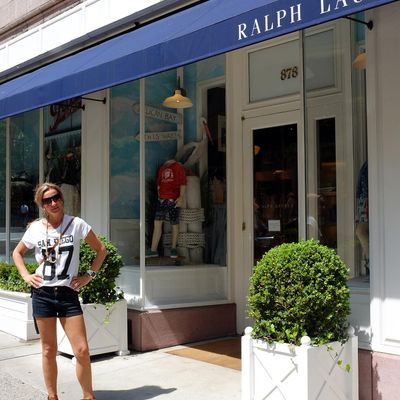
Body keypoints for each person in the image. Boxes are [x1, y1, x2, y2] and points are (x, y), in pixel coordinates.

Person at [12, 183, 107, 400]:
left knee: (81, 350)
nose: (53, 203)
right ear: (42, 205)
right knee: (48, 350)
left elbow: (101, 250)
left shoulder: (76, 224)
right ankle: (52, 396)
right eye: (47, 200)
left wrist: (88, 276)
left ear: (62, 199)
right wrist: (26, 275)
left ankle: (88, 396)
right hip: (42, 294)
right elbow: (17, 253)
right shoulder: (36, 228)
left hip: (67, 294)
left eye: (56, 198)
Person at [146, 159, 186, 258]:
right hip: (162, 200)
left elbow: (183, 183)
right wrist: (159, 196)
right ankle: (153, 250)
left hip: (173, 199)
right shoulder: (162, 168)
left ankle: (173, 249)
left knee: (174, 223)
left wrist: (181, 197)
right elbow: (159, 184)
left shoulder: (178, 167)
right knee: (157, 223)